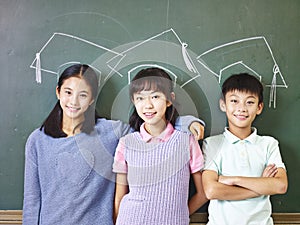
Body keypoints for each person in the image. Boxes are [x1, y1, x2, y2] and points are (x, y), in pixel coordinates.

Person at [22, 64, 205, 225]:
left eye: (83, 95)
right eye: (68, 92)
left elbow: (152, 126)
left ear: (92, 99)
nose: (74, 101)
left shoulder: (110, 132)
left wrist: (187, 123)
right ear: (58, 92)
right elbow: (32, 198)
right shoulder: (38, 140)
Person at [113, 67, 208, 225]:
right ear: (134, 101)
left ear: (169, 99)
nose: (148, 105)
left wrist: (180, 215)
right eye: (140, 98)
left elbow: (203, 193)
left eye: (155, 96)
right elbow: (119, 197)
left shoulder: (186, 141)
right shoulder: (127, 143)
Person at [202, 73, 288, 225]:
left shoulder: (268, 144)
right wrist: (262, 185)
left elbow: (280, 186)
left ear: (259, 107)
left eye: (249, 102)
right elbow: (211, 191)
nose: (241, 108)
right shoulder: (212, 144)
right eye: (234, 101)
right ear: (223, 104)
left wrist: (233, 180)